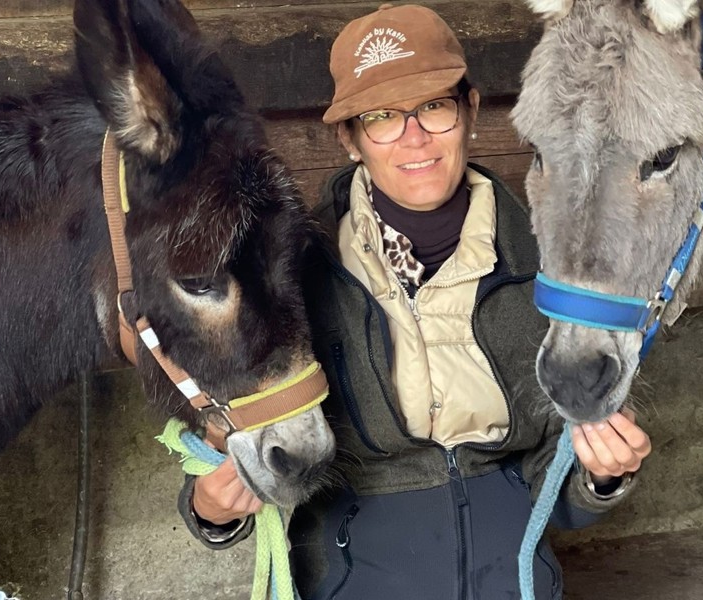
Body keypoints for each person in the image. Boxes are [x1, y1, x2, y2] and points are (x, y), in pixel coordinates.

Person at [178, 4, 652, 598]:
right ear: (349, 139)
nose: (415, 137)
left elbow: (555, 482)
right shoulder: (292, 274)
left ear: (471, 112)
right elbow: (235, 432)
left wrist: (599, 476)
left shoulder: (550, 263)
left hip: (514, 583)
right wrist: (211, 508)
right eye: (382, 117)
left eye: (434, 106)